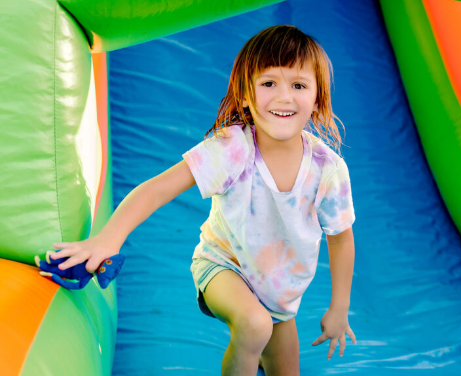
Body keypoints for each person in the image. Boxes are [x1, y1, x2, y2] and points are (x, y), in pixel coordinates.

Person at [49, 25, 357, 376]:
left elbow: (341, 237)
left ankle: (251, 351)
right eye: (269, 83)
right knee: (255, 325)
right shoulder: (234, 148)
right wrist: (107, 239)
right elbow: (157, 189)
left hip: (280, 293)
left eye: (298, 86)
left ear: (317, 99)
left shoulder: (327, 170)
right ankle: (248, 344)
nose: (284, 97)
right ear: (245, 95)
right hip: (223, 266)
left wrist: (339, 307)